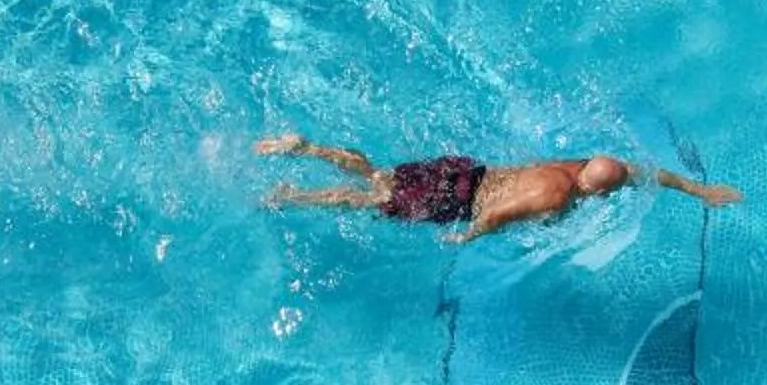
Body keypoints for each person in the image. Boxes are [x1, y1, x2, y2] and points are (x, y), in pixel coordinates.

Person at [254, 132, 742, 242]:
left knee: (380, 175)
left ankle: (310, 148)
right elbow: (495, 216)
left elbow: (647, 172)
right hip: (460, 198)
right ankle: (291, 195)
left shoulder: (584, 166)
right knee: (368, 200)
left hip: (468, 171)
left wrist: (701, 191)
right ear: (595, 190)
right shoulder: (557, 194)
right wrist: (466, 238)